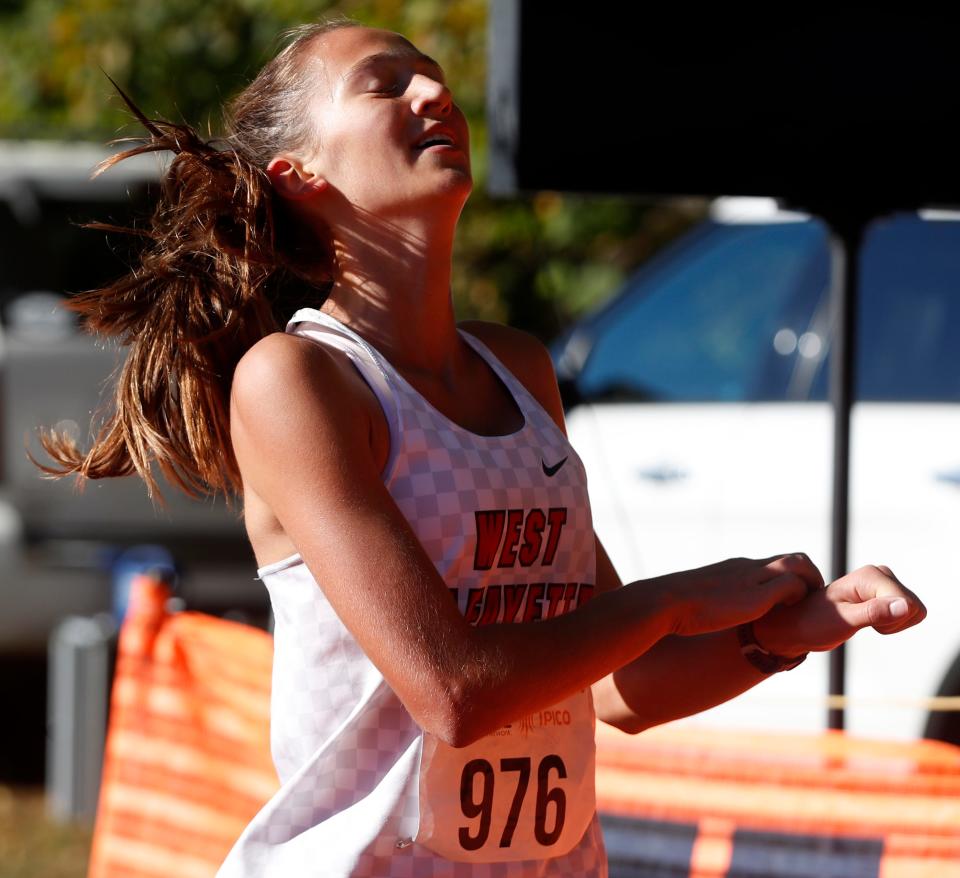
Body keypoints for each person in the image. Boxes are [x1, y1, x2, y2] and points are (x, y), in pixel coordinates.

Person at [38, 18, 926, 878]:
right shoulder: (298, 379)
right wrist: (677, 599)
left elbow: (618, 689)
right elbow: (454, 694)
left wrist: (786, 634)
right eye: (386, 85)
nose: (436, 94)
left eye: (439, 79)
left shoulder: (519, 368)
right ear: (296, 172)